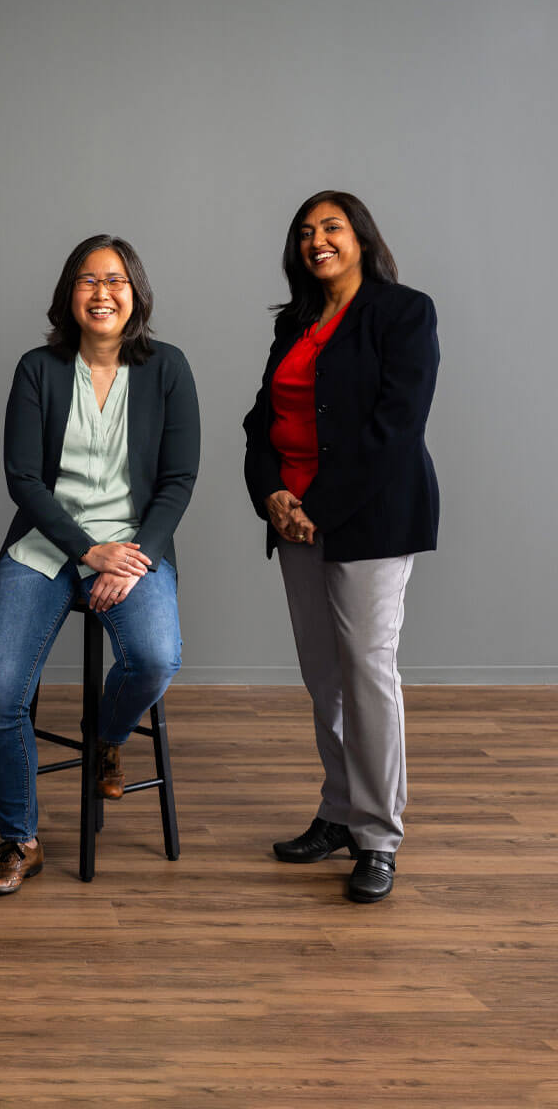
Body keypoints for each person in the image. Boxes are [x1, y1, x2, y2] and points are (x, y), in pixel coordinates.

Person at [0, 236, 199, 896]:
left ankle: (104, 736)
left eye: (117, 280)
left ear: (137, 293)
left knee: (156, 658)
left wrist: (136, 557)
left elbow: (178, 481)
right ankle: (21, 838)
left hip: (134, 549)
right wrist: (85, 549)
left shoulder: (169, 369)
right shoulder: (36, 368)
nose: (103, 292)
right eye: (88, 280)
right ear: (68, 295)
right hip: (47, 545)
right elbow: (22, 478)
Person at [241, 190, 440, 904]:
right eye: (304, 232)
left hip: (369, 522)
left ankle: (379, 837)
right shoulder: (295, 323)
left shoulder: (402, 312)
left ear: (360, 236)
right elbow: (259, 420)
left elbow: (397, 429)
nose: (316, 240)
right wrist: (273, 497)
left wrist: (315, 511)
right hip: (294, 518)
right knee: (324, 678)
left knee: (366, 674)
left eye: (330, 227)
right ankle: (338, 812)